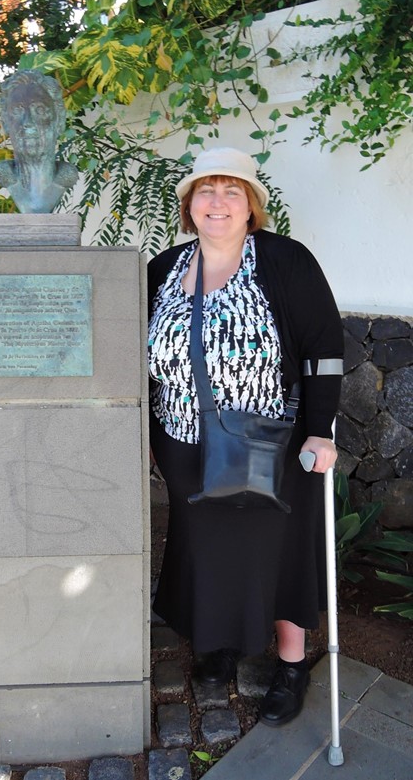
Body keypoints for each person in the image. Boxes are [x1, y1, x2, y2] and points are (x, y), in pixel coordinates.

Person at [148, 146, 344, 727]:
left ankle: (289, 664)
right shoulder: (164, 268)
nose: (218, 202)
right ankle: (220, 642)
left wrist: (320, 432)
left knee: (277, 548)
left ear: (251, 205)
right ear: (189, 205)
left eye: (232, 190)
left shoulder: (285, 261)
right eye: (206, 190)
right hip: (184, 444)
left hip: (273, 445)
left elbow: (323, 352)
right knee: (208, 550)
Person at [0, 71, 78, 214]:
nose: (28, 122)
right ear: (6, 123)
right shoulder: (4, 174)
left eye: (40, 110)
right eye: (17, 112)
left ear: (59, 121)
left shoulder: (66, 176)